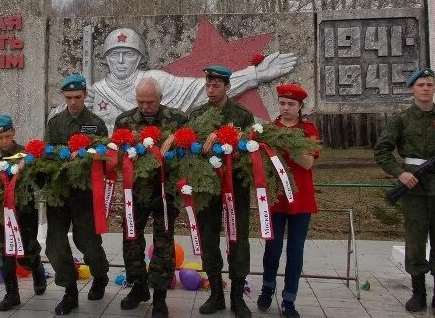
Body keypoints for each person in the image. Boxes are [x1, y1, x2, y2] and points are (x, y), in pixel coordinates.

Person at [52, 27, 297, 133]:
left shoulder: (156, 79)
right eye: (114, 55)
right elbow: (59, 120)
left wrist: (254, 74)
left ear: (139, 59)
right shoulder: (94, 91)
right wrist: (74, 105)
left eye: (128, 55)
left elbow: (201, 90)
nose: (121, 61)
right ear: (106, 59)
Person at [374, 68, 435, 314]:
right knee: (416, 243)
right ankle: (418, 293)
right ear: (413, 89)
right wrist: (400, 173)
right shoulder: (402, 120)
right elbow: (382, 150)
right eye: (421, 85)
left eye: (429, 84)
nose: (426, 88)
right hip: (415, 191)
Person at [113, 77, 188, 318]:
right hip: (135, 194)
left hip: (165, 195)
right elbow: (116, 156)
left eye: (150, 102)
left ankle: (160, 297)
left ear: (160, 99)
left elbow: (186, 156)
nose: (145, 107)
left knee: (163, 245)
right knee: (131, 241)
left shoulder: (177, 120)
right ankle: (138, 286)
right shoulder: (124, 121)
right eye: (141, 102)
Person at [188, 65, 255, 318]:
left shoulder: (242, 115)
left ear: (228, 87)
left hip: (235, 189)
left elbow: (252, 150)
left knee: (238, 240)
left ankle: (238, 297)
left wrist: (235, 145)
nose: (211, 89)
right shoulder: (197, 114)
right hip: (207, 191)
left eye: (216, 85)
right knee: (208, 239)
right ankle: (216, 294)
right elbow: (190, 148)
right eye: (208, 85)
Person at [44, 73, 110, 315]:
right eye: (69, 97)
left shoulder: (96, 123)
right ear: (64, 96)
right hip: (59, 194)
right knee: (56, 244)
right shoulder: (55, 123)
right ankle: (69, 292)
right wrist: (59, 154)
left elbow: (106, 153)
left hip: (85, 195)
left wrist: (88, 155)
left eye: (77, 97)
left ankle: (100, 274)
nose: (73, 102)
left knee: (88, 243)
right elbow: (47, 154)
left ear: (85, 96)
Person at [256, 84, 320, 318]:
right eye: (282, 103)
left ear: (301, 106)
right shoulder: (270, 130)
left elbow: (307, 163)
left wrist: (287, 142)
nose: (285, 108)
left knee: (296, 251)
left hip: (301, 199)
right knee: (272, 249)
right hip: (276, 198)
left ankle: (289, 300)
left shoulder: (309, 130)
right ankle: (267, 288)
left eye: (291, 104)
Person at [0, 114, 47, 311]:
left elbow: (41, 183)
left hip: (25, 213)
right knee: (3, 252)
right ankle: (12, 295)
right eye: (0, 138)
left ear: (14, 133)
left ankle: (37, 268)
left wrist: (32, 168)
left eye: (8, 136)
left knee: (26, 252)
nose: (4, 141)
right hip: (1, 215)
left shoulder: (26, 155)